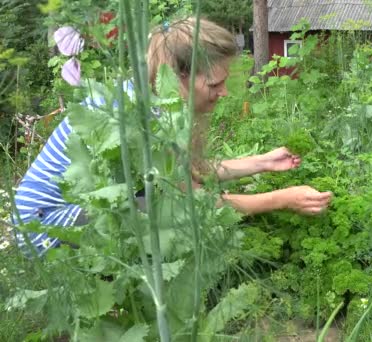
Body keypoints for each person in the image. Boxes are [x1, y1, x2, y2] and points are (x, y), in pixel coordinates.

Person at [12, 17, 332, 257]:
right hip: (43, 227)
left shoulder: (155, 97)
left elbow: (192, 171)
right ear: (181, 76)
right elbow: (189, 202)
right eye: (214, 84)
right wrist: (282, 200)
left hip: (69, 213)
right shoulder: (143, 116)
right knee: (165, 215)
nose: (224, 93)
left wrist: (263, 162)